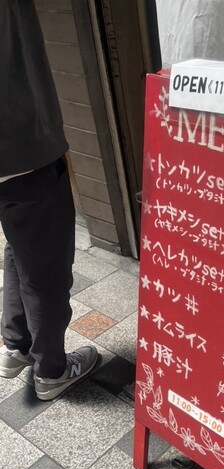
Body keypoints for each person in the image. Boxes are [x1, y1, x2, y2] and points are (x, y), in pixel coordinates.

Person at [0, 1, 98, 400]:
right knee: (47, 271)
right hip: (21, 148)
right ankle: (52, 371)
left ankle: (17, 345)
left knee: (20, 247)